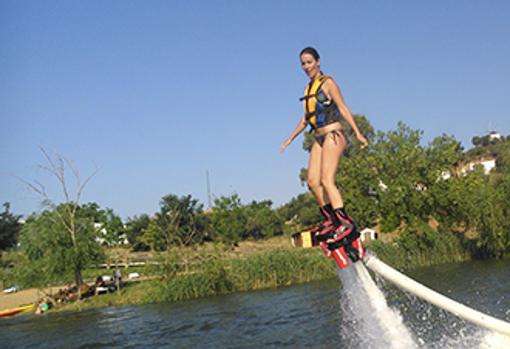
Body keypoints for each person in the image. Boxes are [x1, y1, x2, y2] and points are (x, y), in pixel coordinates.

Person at [280, 47, 368, 251]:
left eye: (309, 62)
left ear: (318, 62)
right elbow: (306, 119)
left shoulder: (328, 83)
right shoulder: (309, 89)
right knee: (312, 182)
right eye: (303, 63)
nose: (306, 66)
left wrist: (358, 132)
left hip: (333, 134)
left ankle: (346, 223)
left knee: (327, 180)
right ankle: (331, 219)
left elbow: (343, 107)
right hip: (318, 137)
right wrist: (289, 139)